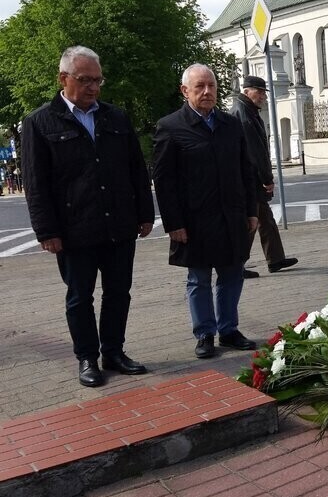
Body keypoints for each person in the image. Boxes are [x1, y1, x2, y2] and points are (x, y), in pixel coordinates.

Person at [21, 46, 154, 387]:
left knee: (118, 292)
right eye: (85, 80)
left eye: (98, 80)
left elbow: (136, 170)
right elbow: (36, 184)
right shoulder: (39, 122)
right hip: (74, 228)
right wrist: (45, 230)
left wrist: (144, 213)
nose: (93, 87)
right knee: (80, 297)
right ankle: (87, 358)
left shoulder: (116, 117)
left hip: (119, 224)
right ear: (63, 79)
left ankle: (114, 351)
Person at [152, 64, 259, 359]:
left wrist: (252, 211)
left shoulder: (230, 124)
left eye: (211, 85)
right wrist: (173, 222)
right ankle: (205, 334)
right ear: (185, 91)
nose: (207, 91)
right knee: (198, 279)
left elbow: (245, 170)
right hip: (194, 221)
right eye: (199, 86)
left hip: (231, 216)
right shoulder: (171, 127)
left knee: (232, 274)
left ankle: (228, 330)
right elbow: (164, 181)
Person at [230, 75, 298, 278]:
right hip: (250, 179)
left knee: (265, 219)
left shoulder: (246, 111)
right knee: (250, 222)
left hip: (250, 177)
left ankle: (275, 259)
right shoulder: (243, 114)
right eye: (258, 92)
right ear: (246, 91)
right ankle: (236, 266)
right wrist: (266, 178)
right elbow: (254, 152)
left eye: (263, 92)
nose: (262, 96)